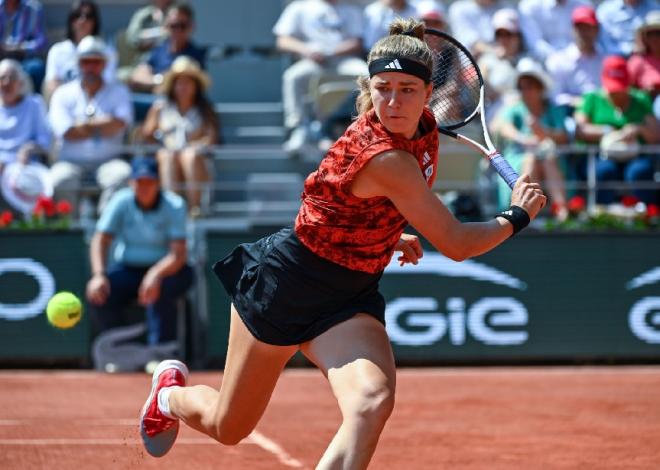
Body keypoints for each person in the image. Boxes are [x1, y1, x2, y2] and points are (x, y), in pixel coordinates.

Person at [138, 18, 547, 467]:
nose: (392, 101)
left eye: (407, 89)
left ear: (429, 94)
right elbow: (456, 243)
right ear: (368, 88)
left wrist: (385, 235)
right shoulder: (386, 155)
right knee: (227, 426)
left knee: (371, 402)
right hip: (286, 287)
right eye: (382, 87)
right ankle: (170, 397)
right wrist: (517, 214)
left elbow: (350, 207)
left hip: (348, 296)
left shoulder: (425, 129)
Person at [86, 156, 193, 352]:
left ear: (158, 183)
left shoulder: (175, 205)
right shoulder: (120, 201)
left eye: (149, 182)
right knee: (101, 291)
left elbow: (178, 255)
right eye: (139, 182)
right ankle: (118, 350)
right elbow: (100, 240)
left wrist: (155, 274)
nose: (143, 187)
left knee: (163, 288)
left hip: (170, 269)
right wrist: (98, 275)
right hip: (129, 269)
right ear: (130, 182)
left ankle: (161, 353)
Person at [48, 36, 134, 213]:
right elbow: (66, 132)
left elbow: (120, 124)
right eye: (86, 62)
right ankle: (69, 233)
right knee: (59, 179)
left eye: (96, 62)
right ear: (78, 64)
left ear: (104, 64)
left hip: (109, 161)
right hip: (70, 162)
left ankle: (106, 233)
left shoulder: (119, 91)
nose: (91, 67)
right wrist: (103, 125)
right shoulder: (62, 93)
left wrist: (81, 127)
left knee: (122, 175)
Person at [273, 0, 367, 154]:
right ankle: (299, 128)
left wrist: (332, 52)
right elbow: (282, 40)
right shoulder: (299, 7)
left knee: (368, 76)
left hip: (344, 59)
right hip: (311, 61)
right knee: (292, 77)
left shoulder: (351, 10)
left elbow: (357, 42)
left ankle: (367, 126)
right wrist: (306, 50)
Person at [574, 55, 660, 204]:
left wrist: (638, 129)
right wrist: (609, 132)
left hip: (635, 156)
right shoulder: (592, 98)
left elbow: (656, 135)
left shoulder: (640, 99)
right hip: (600, 155)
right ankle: (602, 216)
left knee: (639, 171)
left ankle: (648, 216)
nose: (617, 93)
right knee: (604, 171)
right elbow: (580, 130)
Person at [141, 56, 218, 216]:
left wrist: (192, 147)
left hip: (197, 165)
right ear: (173, 85)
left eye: (188, 82)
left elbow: (211, 139)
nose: (183, 87)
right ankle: (172, 210)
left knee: (189, 156)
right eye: (180, 82)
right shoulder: (159, 108)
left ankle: (195, 209)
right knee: (166, 155)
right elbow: (146, 135)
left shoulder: (205, 110)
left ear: (196, 86)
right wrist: (163, 145)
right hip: (167, 163)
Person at [493, 58, 570, 220]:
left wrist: (542, 132)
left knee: (548, 160)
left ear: (540, 88)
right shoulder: (514, 108)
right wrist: (524, 139)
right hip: (518, 157)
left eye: (530, 86)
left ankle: (562, 211)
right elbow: (503, 127)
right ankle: (528, 212)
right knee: (531, 160)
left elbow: (563, 136)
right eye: (522, 87)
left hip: (551, 160)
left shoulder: (553, 109)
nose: (525, 91)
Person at [43, 0, 119, 102]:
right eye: (77, 15)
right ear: (71, 20)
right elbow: (51, 84)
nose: (82, 20)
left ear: (95, 21)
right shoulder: (57, 50)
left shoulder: (107, 52)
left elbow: (108, 85)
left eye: (88, 16)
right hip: (68, 107)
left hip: (100, 108)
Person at [129, 2, 206, 94]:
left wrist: (164, 84)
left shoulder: (196, 55)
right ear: (166, 27)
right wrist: (159, 80)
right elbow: (138, 76)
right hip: (154, 102)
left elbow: (186, 91)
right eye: (173, 26)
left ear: (191, 26)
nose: (177, 31)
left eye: (182, 26)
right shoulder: (158, 50)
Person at [545, 5, 605, 110]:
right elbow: (555, 96)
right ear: (572, 30)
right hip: (571, 113)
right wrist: (577, 101)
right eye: (579, 28)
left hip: (601, 112)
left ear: (597, 29)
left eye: (588, 28)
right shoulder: (559, 61)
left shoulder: (605, 59)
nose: (583, 33)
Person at [0, 58, 50, 176]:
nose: (6, 83)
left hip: (26, 166)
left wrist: (28, 149)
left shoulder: (35, 104)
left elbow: (44, 140)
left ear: (20, 83)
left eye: (11, 78)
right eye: (2, 78)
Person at [478, 8, 530, 119]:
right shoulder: (487, 61)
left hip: (523, 113)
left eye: (508, 34)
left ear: (518, 36)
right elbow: (480, 92)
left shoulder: (528, 61)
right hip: (495, 114)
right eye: (499, 35)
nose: (503, 39)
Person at [517, 0, 593, 62]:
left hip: (579, 60)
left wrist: (570, 57)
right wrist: (558, 60)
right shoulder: (529, 6)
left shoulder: (583, 4)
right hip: (543, 63)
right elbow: (535, 43)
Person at [0, 0, 47, 93]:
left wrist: (23, 48)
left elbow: (42, 41)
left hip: (23, 58)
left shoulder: (33, 8)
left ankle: (33, 105)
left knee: (36, 68)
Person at [627, 10, 660, 98]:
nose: (654, 38)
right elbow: (627, 91)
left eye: (658, 33)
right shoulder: (637, 61)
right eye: (650, 34)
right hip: (647, 107)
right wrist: (644, 93)